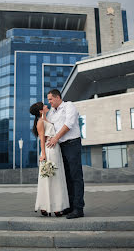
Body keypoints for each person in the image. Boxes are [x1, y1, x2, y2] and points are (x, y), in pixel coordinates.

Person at [47, 89, 85, 219]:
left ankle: (78, 208)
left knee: (76, 176)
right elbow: (49, 126)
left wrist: (56, 138)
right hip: (61, 146)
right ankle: (70, 207)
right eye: (48, 100)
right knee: (67, 177)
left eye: (51, 99)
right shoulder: (51, 112)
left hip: (72, 143)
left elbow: (69, 124)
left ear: (57, 97)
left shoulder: (69, 106)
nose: (49, 102)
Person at [30, 101, 69, 217]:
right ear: (41, 111)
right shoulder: (40, 122)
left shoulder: (48, 119)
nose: (47, 106)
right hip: (49, 150)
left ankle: (57, 206)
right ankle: (46, 206)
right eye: (44, 106)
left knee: (57, 177)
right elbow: (42, 139)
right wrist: (43, 154)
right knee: (49, 178)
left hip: (56, 149)